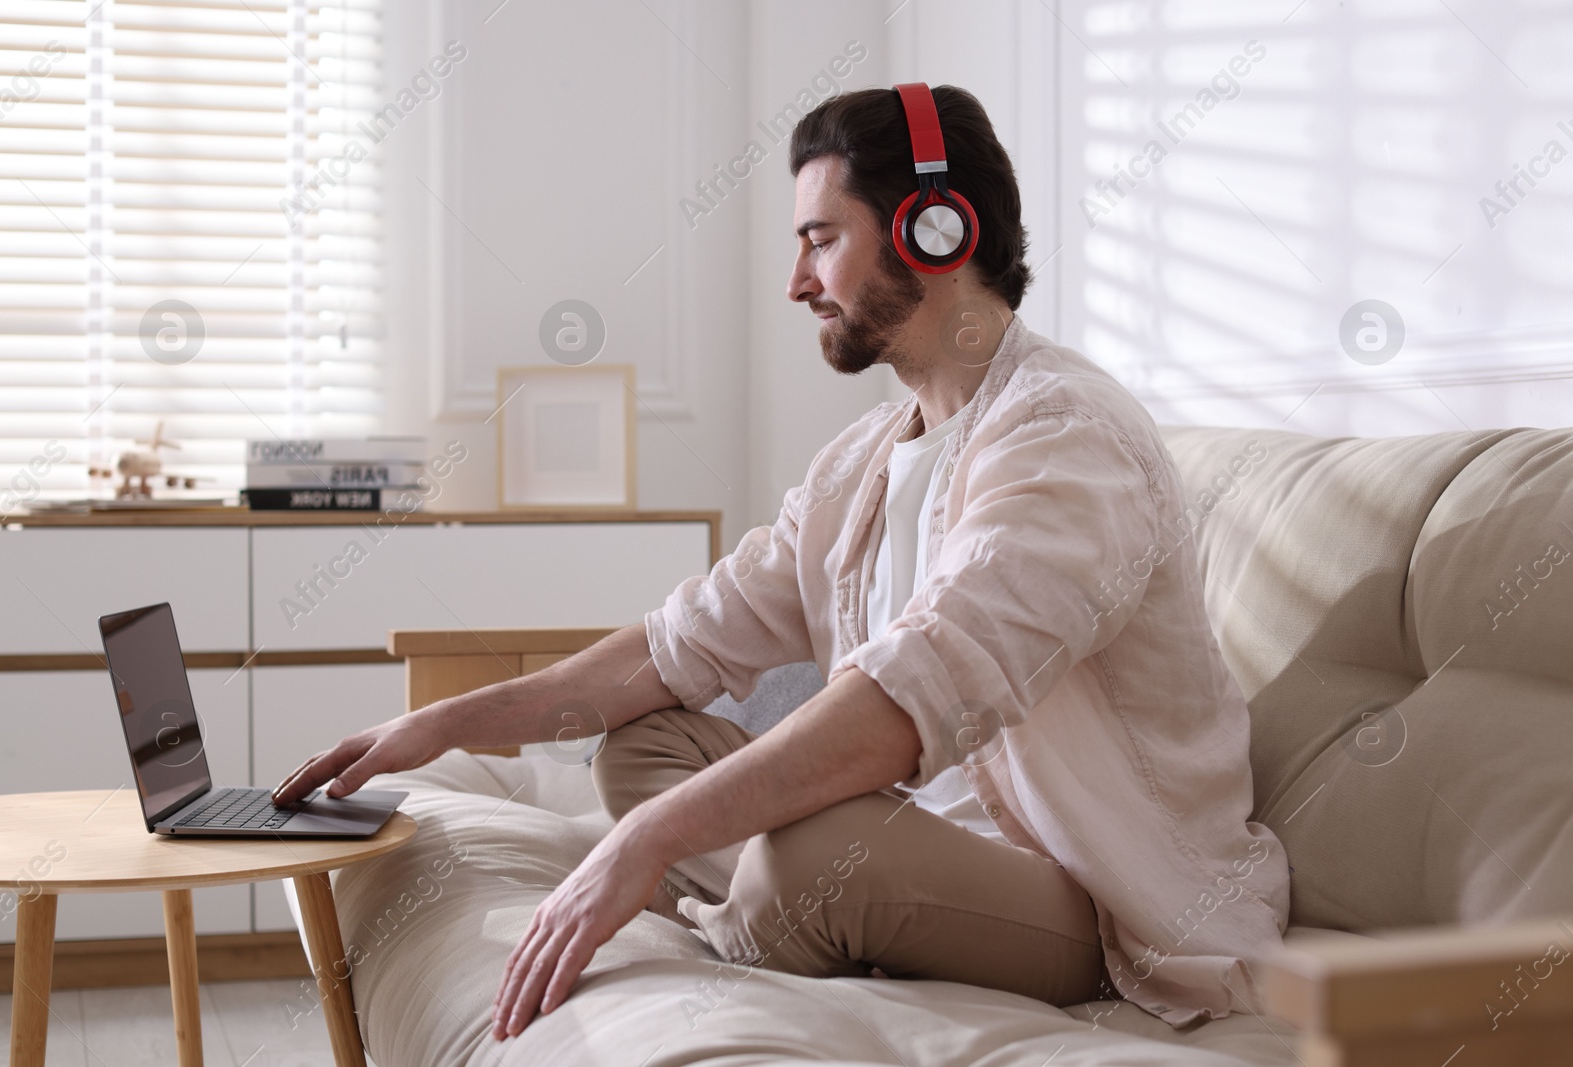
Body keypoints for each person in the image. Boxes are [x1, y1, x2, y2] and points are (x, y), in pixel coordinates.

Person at [272, 83, 1289, 1043]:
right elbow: (678, 647)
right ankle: (811, 910)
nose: (798, 281)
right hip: (903, 844)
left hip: (1084, 892)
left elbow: (913, 695)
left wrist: (647, 842)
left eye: (821, 241)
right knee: (642, 747)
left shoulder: (1064, 434)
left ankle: (790, 911)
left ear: (936, 230)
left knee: (805, 858)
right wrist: (435, 723)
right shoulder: (862, 461)